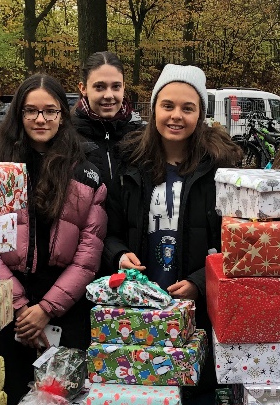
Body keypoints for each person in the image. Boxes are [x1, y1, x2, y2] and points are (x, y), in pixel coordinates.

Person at [0, 74, 108, 405]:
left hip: (64, 307)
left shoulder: (85, 173)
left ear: (62, 116)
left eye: (50, 111)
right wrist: (20, 307)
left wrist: (46, 309)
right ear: (19, 114)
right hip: (7, 303)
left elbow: (88, 256)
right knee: (10, 403)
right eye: (31, 111)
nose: (40, 119)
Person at [103, 64, 241, 331]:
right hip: (139, 307)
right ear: (154, 109)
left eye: (187, 108)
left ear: (200, 114)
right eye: (167, 106)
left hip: (197, 313)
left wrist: (200, 282)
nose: (176, 115)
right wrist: (118, 255)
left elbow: (234, 244)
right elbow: (109, 231)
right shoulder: (130, 164)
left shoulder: (220, 171)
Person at [72, 51, 139, 188]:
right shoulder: (67, 136)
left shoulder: (140, 136)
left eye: (116, 86)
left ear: (124, 87)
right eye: (99, 87)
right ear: (83, 88)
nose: (109, 95)